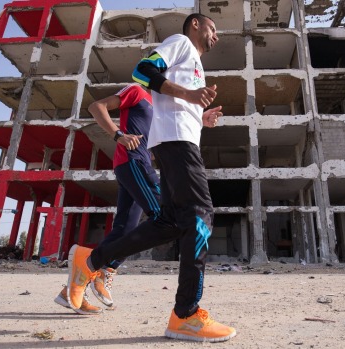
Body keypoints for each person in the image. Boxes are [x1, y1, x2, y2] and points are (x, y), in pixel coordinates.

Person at [66, 13, 236, 342]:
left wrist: (201, 118)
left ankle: (92, 260)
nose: (216, 35)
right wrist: (189, 96)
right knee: (200, 217)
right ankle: (185, 314)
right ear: (196, 25)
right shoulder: (181, 43)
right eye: (213, 28)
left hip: (178, 142)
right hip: (177, 146)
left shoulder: (193, 63)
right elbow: (142, 71)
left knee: (170, 223)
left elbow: (171, 105)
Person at [55, 83, 161, 315]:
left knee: (125, 228)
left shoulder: (159, 107)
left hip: (138, 164)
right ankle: (104, 269)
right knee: (163, 217)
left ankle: (74, 287)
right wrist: (118, 135)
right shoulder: (137, 91)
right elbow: (96, 107)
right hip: (133, 163)